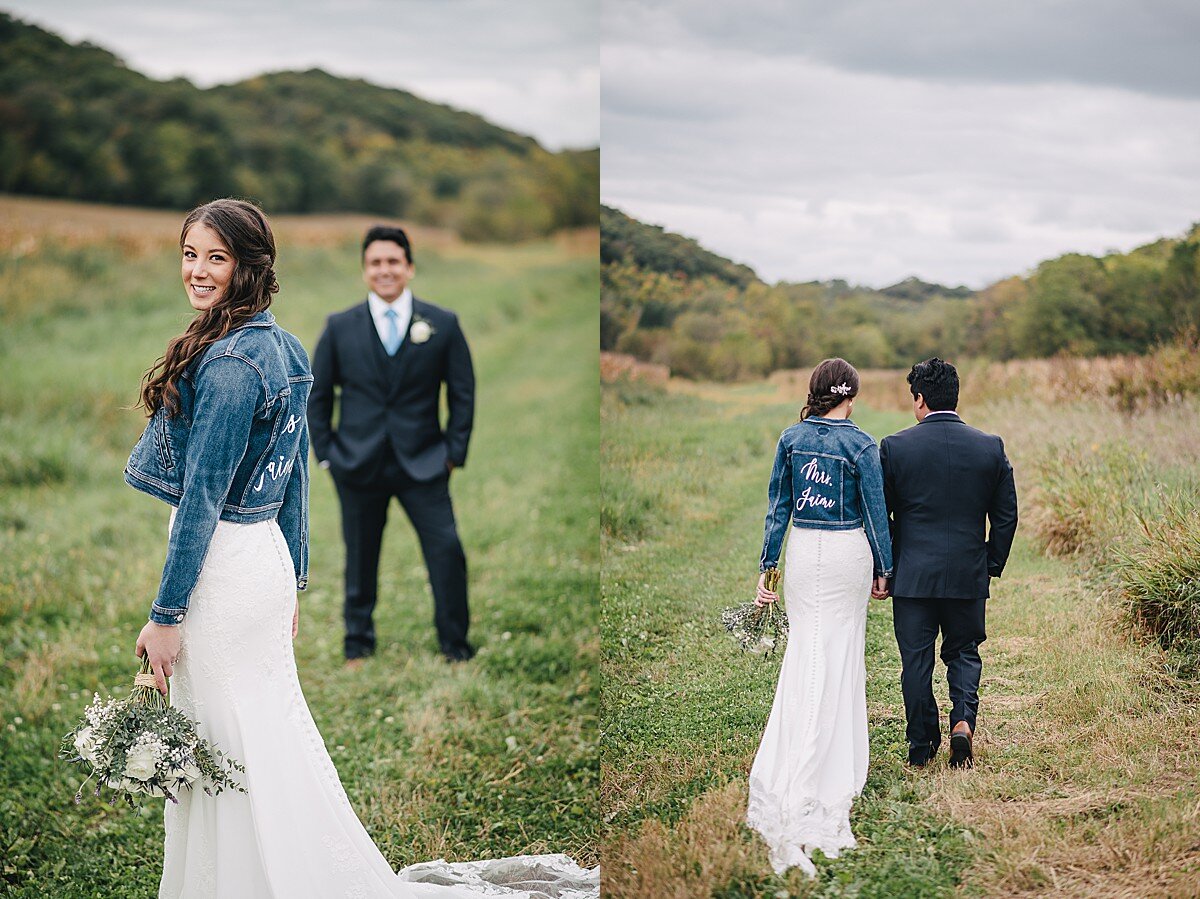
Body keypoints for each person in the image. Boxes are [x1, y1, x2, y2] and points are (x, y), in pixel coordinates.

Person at [125, 199, 596, 898]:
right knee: (258, 732)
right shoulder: (281, 344)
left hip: (221, 572)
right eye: (190, 253)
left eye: (215, 257)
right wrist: (293, 578)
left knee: (225, 737)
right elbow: (294, 484)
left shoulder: (229, 365)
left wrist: (166, 615)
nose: (197, 269)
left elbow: (201, 499)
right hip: (257, 566)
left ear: (250, 265)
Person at [747, 358, 893, 876]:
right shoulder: (862, 445)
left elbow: (777, 508)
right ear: (851, 394)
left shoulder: (791, 438)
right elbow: (876, 513)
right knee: (840, 650)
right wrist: (885, 568)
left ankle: (794, 754)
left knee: (806, 648)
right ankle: (827, 764)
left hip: (806, 556)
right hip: (847, 554)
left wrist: (769, 564)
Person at [308, 225, 476, 665]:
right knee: (360, 557)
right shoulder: (339, 327)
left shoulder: (442, 323)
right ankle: (358, 643)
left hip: (424, 463)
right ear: (365, 271)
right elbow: (318, 395)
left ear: (409, 267)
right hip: (357, 463)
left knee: (446, 551)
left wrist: (452, 454)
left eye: (393, 262)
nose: (385, 270)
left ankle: (455, 645)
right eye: (376, 263)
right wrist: (327, 454)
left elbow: (462, 393)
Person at [879, 358, 1018, 769]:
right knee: (964, 652)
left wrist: (886, 568)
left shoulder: (896, 447)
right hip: (966, 573)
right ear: (956, 397)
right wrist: (989, 562)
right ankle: (963, 723)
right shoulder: (989, 446)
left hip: (913, 576)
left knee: (916, 662)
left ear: (919, 398)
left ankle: (921, 746)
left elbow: (881, 514)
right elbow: (1007, 516)